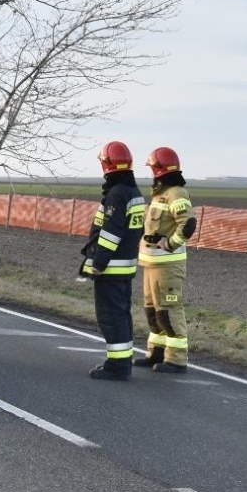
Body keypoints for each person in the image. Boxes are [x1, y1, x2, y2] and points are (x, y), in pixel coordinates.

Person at [79, 141, 146, 379]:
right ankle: (122, 361)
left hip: (111, 269)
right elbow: (138, 230)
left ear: (106, 164)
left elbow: (110, 234)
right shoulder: (134, 193)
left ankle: (117, 366)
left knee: (110, 316)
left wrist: (98, 263)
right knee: (122, 314)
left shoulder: (117, 195)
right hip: (126, 267)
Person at [135, 146, 198, 374]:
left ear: (160, 169)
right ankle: (156, 353)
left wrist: (170, 244)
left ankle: (177, 360)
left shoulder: (176, 193)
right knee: (153, 312)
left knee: (169, 311)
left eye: (153, 168)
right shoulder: (161, 194)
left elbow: (188, 223)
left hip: (168, 266)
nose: (152, 172)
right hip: (152, 265)